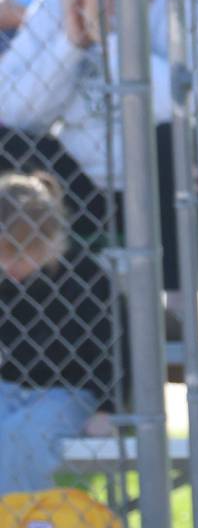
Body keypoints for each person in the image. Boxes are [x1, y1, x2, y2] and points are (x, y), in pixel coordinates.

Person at [0, 0, 198, 289]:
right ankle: (25, 293)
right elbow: (10, 113)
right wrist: (70, 45)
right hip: (94, 189)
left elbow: (176, 107)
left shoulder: (193, 0)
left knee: (166, 140)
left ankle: (174, 305)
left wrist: (111, 37)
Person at [0, 172, 123, 494]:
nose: (7, 264)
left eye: (17, 254)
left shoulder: (86, 279)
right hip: (9, 387)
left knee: (18, 438)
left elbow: (113, 350)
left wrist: (108, 410)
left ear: (49, 242)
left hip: (69, 392)